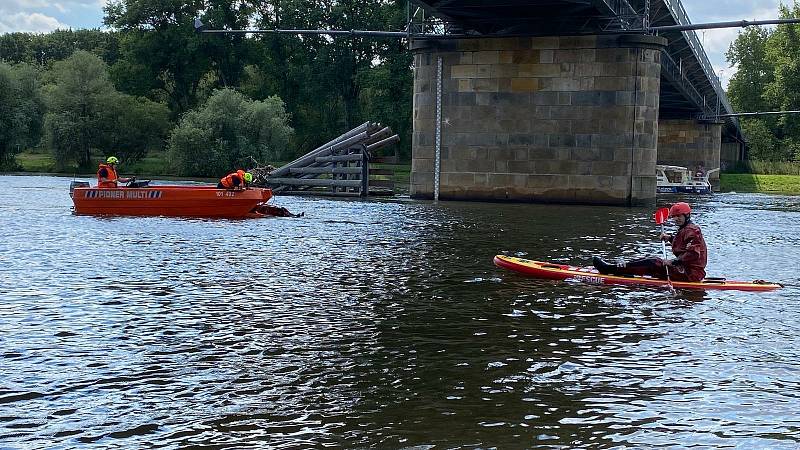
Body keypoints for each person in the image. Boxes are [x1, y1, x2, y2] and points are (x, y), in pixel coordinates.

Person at [592, 202, 707, 282]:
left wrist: (673, 262)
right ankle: (618, 268)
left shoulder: (692, 230)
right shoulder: (685, 228)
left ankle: (610, 269)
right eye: (674, 216)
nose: (676, 219)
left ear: (687, 215)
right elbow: (683, 246)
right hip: (686, 270)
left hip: (690, 274)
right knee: (649, 259)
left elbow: (692, 254)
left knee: (653, 262)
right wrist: (670, 238)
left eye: (679, 216)